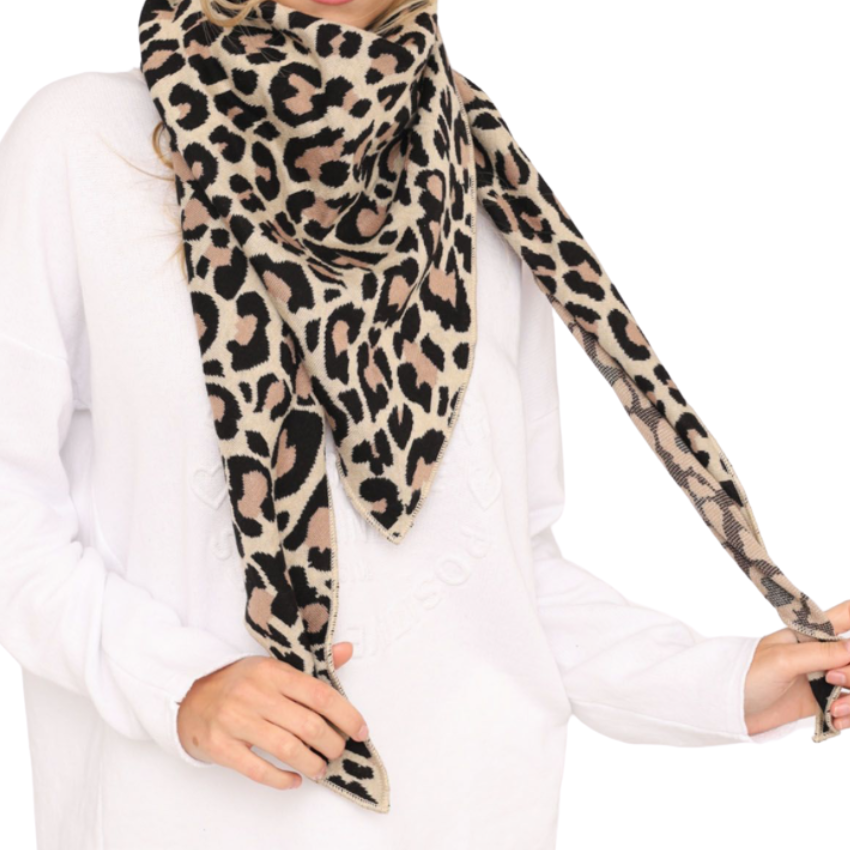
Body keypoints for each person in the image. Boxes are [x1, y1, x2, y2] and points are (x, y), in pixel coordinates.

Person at [1, 0, 848, 848]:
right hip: (188, 822)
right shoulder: (82, 143)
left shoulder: (468, 171)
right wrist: (176, 684)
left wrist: (723, 685)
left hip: (477, 817)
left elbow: (508, 568)